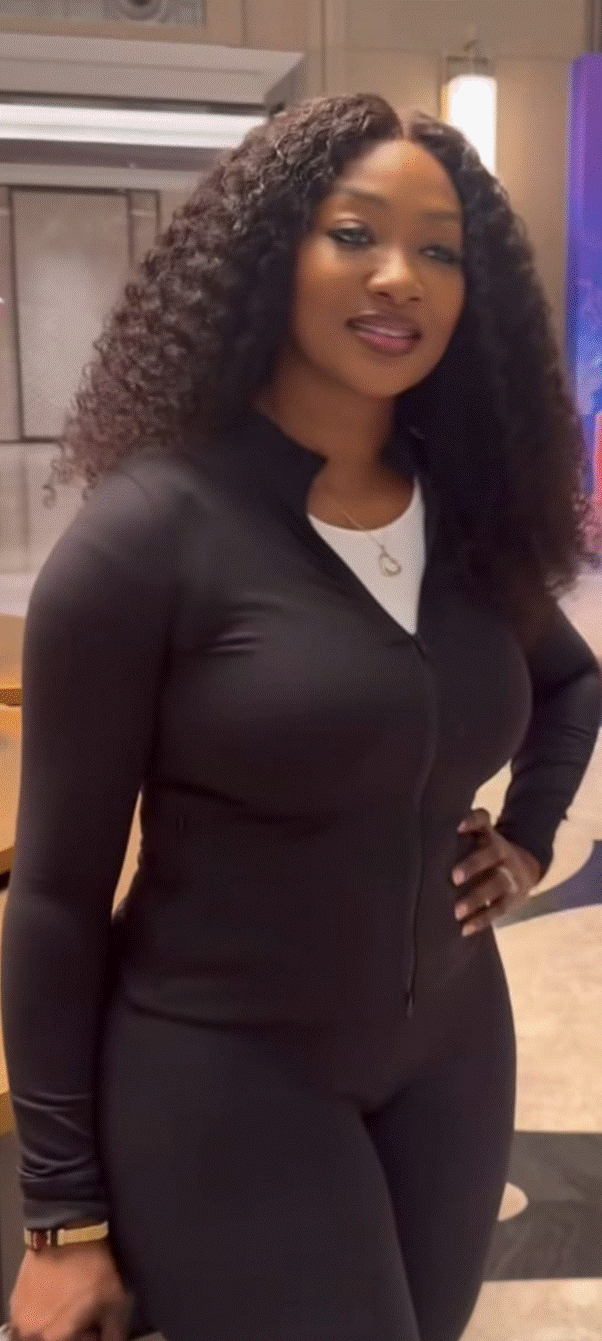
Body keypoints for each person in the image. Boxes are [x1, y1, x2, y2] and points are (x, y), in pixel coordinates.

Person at [3, 93, 601, 1341]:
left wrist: (529, 837)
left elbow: (571, 680)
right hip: (224, 1076)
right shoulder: (150, 536)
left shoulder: (464, 518)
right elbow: (53, 900)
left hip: (450, 1059)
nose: (400, 277)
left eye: (438, 249)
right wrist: (60, 1218)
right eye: (355, 233)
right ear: (269, 253)